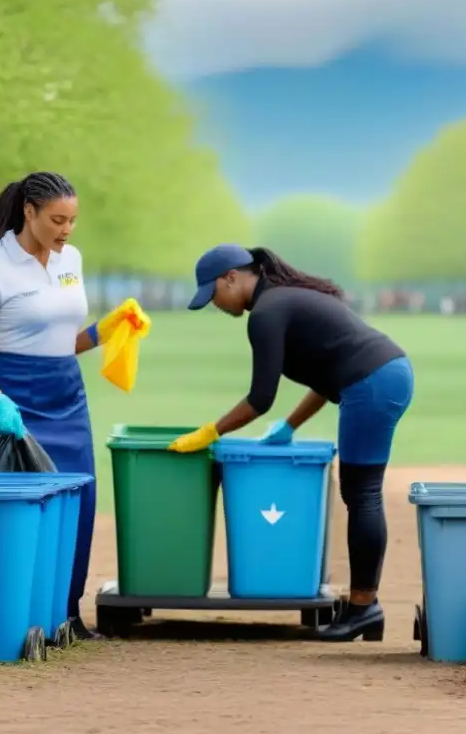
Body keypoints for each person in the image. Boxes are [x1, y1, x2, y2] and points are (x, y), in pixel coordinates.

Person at [169, 244, 415, 642]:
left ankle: (364, 608)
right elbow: (327, 374)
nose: (214, 303)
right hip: (384, 376)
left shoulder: (267, 313)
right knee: (361, 492)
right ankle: (363, 607)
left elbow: (259, 398)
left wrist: (210, 431)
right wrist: (289, 425)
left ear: (232, 277)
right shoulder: (283, 301)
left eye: (213, 293)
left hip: (372, 384)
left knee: (363, 493)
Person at [0, 171, 138, 642]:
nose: (66, 230)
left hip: (65, 394)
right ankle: (16, 615)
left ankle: (67, 614)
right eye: (57, 219)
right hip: (11, 395)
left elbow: (59, 338)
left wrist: (104, 330)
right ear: (28, 212)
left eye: (73, 221)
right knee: (19, 509)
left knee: (79, 503)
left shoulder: (70, 260)